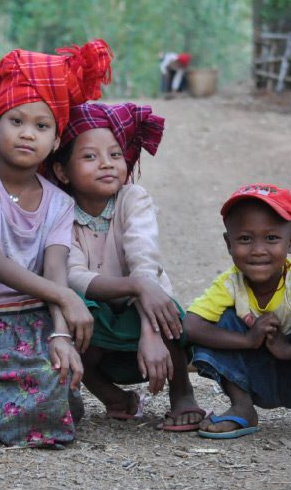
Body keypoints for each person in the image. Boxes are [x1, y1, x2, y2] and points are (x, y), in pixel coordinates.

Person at [0, 40, 112, 447]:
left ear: (54, 140)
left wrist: (61, 335)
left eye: (42, 126)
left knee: (55, 385)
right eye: (16, 121)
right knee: (15, 417)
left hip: (35, 320)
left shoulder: (59, 203)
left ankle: (40, 394)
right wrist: (66, 299)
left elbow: (55, 271)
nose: (28, 134)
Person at [48, 101, 204, 430]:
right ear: (62, 171)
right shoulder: (59, 210)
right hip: (99, 310)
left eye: (115, 155)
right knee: (74, 318)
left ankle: (182, 393)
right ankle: (113, 396)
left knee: (167, 313)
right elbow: (73, 275)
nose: (107, 164)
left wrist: (149, 328)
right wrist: (136, 286)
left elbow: (144, 261)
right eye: (90, 157)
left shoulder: (133, 198)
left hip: (145, 306)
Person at [184, 183, 291, 443]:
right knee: (217, 321)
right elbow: (191, 326)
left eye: (272, 238)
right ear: (228, 243)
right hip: (252, 376)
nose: (258, 249)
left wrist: (287, 350)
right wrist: (248, 339)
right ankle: (242, 406)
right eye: (245, 239)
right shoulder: (230, 283)